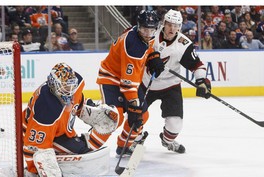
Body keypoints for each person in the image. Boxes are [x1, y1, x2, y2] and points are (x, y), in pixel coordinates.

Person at [22, 62, 118, 177]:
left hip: (58, 131)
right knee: (81, 150)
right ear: (54, 84)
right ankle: (53, 158)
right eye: (66, 88)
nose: (70, 91)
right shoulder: (47, 107)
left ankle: (60, 156)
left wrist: (91, 109)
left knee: (86, 146)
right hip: (33, 133)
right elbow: (32, 145)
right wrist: (33, 171)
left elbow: (78, 102)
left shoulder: (73, 86)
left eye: (71, 86)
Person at [83, 10, 164, 157]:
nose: (148, 33)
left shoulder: (144, 35)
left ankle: (124, 145)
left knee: (143, 115)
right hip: (111, 79)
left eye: (151, 29)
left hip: (129, 80)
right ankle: (88, 149)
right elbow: (128, 85)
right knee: (114, 118)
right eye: (145, 29)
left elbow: (149, 46)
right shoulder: (134, 46)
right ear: (139, 27)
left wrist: (153, 57)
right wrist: (133, 108)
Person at [139, 9, 212, 154]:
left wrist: (201, 81)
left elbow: (197, 65)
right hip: (147, 83)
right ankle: (136, 139)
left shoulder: (183, 45)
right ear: (163, 23)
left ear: (180, 26)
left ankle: (167, 141)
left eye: (176, 25)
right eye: (169, 24)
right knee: (134, 115)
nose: (172, 28)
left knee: (175, 124)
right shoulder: (150, 34)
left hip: (170, 85)